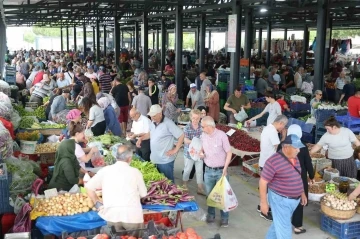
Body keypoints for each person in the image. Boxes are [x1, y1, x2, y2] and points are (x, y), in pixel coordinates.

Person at [85, 145, 147, 237]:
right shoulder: (135, 172)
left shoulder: (105, 170)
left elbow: (89, 187)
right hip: (132, 217)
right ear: (130, 158)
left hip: (113, 216)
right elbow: (143, 194)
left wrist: (97, 203)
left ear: (116, 157)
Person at [260, 134, 307, 239]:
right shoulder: (273, 161)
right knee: (285, 232)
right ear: (286, 147)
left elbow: (298, 176)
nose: (298, 150)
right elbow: (263, 182)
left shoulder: (295, 158)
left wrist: (302, 192)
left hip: (292, 201)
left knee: (278, 225)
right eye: (295, 148)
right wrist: (264, 203)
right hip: (280, 200)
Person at [136, 104, 184, 183]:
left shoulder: (168, 123)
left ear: (160, 114)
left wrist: (175, 150)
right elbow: (151, 134)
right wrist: (141, 138)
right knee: (159, 184)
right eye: (151, 116)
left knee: (169, 184)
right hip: (155, 159)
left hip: (165, 161)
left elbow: (181, 135)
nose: (152, 118)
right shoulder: (153, 122)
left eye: (154, 116)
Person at [201, 116, 232, 227]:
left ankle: (224, 218)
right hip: (208, 170)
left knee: (222, 196)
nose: (202, 128)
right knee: (210, 195)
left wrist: (225, 168)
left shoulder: (221, 136)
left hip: (221, 171)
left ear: (209, 126)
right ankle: (211, 215)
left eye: (203, 126)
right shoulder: (203, 135)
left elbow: (229, 152)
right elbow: (202, 149)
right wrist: (201, 153)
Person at [257, 115, 288, 221]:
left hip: (264, 162)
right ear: (281, 123)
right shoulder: (273, 132)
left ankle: (261, 205)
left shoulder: (267, 128)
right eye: (283, 127)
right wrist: (284, 136)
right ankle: (264, 211)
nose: (281, 129)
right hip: (269, 164)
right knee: (269, 188)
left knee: (265, 188)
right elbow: (279, 148)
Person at [284, 125, 314, 235]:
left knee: (285, 200)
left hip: (284, 177)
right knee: (299, 201)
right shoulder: (303, 147)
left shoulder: (282, 145)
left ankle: (284, 222)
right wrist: (311, 176)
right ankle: (297, 226)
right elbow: (308, 163)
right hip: (299, 178)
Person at [182, 109, 206, 195]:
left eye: (197, 118)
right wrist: (194, 141)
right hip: (189, 153)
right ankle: (184, 184)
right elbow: (185, 140)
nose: (195, 120)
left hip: (199, 153)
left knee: (199, 171)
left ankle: (200, 187)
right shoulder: (187, 127)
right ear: (191, 117)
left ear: (200, 118)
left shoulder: (202, 127)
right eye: (194, 118)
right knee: (187, 169)